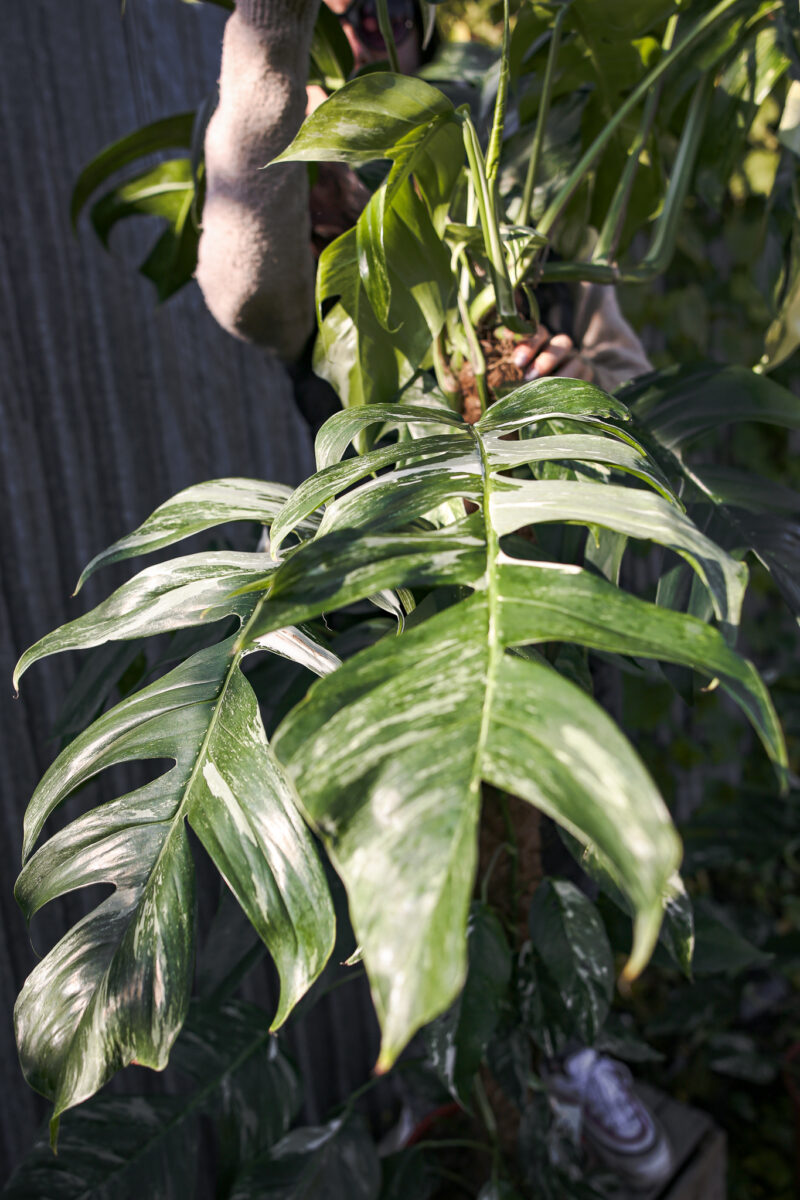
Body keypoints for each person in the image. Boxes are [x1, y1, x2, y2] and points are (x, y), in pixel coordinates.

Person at [194, 0, 670, 1189]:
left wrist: (575, 380)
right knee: (416, 845)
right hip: (390, 569)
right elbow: (251, 298)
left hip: (529, 555)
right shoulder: (292, 146)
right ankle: (444, 1090)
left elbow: (620, 355)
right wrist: (264, 46)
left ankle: (567, 1053)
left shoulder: (498, 126)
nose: (364, 19)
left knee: (548, 832)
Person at [195, 0, 652, 431]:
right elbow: (248, 292)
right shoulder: (304, 226)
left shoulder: (520, 192)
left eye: (382, 15)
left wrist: (586, 388)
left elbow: (649, 405)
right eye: (324, 33)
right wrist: (273, 34)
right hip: (402, 509)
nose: (353, 46)